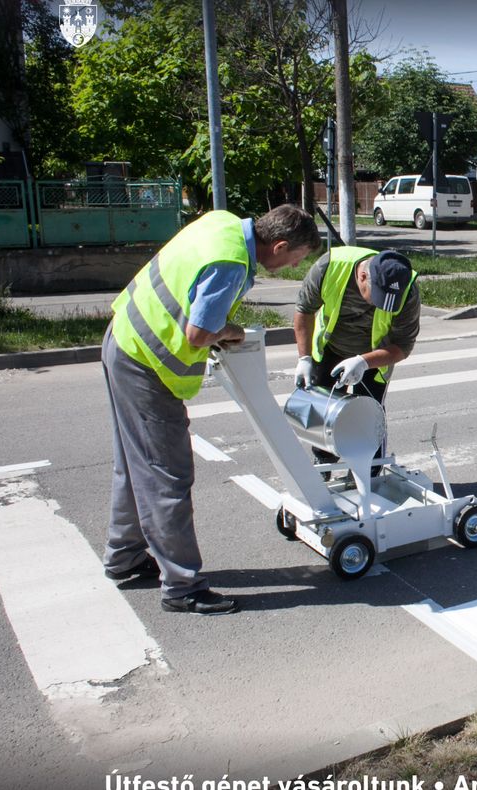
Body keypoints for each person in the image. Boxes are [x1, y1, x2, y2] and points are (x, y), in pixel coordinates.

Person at [102, 204, 320, 615]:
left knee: (134, 464)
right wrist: (231, 331)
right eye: (296, 257)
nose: (294, 265)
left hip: (126, 336)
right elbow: (199, 332)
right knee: (167, 474)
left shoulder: (223, 223)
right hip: (147, 362)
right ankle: (182, 587)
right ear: (279, 245)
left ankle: (125, 556)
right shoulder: (231, 262)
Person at [292, 247, 420, 464]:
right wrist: (304, 358)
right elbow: (304, 310)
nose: (380, 305)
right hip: (330, 349)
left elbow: (403, 346)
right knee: (324, 412)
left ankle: (368, 472)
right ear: (362, 276)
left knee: (370, 417)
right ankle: (324, 463)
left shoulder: (407, 289)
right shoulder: (329, 266)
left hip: (374, 358)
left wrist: (363, 362)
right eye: (377, 296)